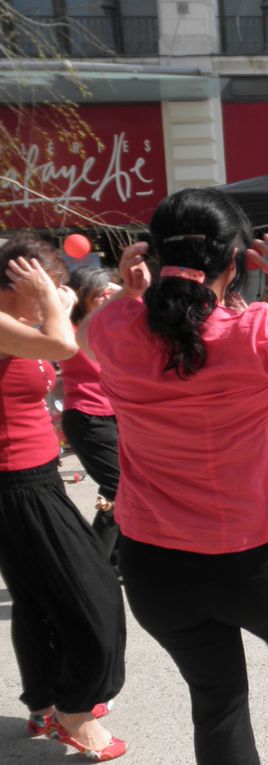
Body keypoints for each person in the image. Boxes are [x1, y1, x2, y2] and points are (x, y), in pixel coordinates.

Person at [78, 187, 268, 765]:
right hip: (258, 557)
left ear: (151, 254)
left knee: (216, 699)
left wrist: (128, 294)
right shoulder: (258, 337)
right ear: (236, 262)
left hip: (155, 564)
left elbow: (84, 341)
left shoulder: (114, 326)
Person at [0, 234, 127, 761]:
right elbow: (64, 346)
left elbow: (77, 343)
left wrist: (118, 295)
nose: (58, 293)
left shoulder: (24, 325)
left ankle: (46, 703)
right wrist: (55, 300)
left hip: (32, 476)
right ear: (17, 279)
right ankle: (76, 710)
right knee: (94, 593)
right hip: (15, 483)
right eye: (47, 284)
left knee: (37, 601)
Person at [60, 266, 122, 563]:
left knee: (129, 486)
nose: (107, 296)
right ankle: (94, 560)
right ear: (83, 296)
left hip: (117, 416)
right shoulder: (69, 332)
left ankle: (114, 556)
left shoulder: (111, 326)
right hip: (88, 417)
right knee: (117, 487)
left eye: (109, 291)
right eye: (101, 293)